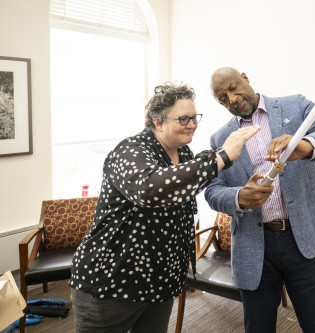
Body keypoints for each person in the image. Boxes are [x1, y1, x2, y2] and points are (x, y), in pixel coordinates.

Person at [68, 81, 260, 333]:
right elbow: (150, 188)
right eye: (183, 119)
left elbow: (194, 178)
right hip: (112, 282)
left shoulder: (186, 155)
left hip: (161, 281)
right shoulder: (130, 150)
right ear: (158, 122)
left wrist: (244, 190)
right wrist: (222, 157)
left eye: (194, 117)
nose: (192, 124)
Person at [205, 67, 315, 333]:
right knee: (258, 328)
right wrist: (239, 197)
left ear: (245, 78)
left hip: (304, 239)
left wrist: (304, 146)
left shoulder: (294, 105)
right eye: (223, 98)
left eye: (233, 87)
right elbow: (212, 190)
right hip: (253, 247)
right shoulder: (220, 139)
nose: (232, 98)